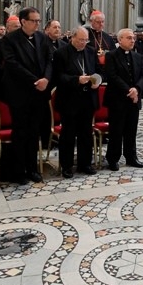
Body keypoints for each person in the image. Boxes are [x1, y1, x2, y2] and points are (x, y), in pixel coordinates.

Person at [0, 7, 53, 184]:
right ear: (23, 21)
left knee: (34, 132)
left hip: (39, 94)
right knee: (20, 133)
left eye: (39, 20)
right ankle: (18, 171)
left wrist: (45, 78)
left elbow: (49, 60)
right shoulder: (9, 40)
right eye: (34, 21)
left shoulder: (42, 38)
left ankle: (32, 168)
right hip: (20, 93)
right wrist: (35, 81)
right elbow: (12, 64)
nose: (38, 23)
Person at [52, 26, 100, 178]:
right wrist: (76, 80)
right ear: (72, 37)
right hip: (69, 100)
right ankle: (66, 166)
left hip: (88, 98)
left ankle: (85, 163)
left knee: (86, 133)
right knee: (68, 134)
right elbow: (58, 77)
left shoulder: (91, 51)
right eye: (80, 40)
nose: (83, 43)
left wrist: (97, 81)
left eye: (86, 40)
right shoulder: (61, 53)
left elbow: (99, 70)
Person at [104, 29, 143, 171]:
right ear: (120, 39)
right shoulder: (111, 55)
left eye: (133, 38)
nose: (132, 40)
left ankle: (131, 157)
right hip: (117, 99)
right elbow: (112, 76)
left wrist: (137, 89)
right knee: (116, 131)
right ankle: (113, 158)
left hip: (134, 100)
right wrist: (129, 90)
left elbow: (142, 76)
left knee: (131, 130)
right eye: (129, 38)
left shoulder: (138, 56)